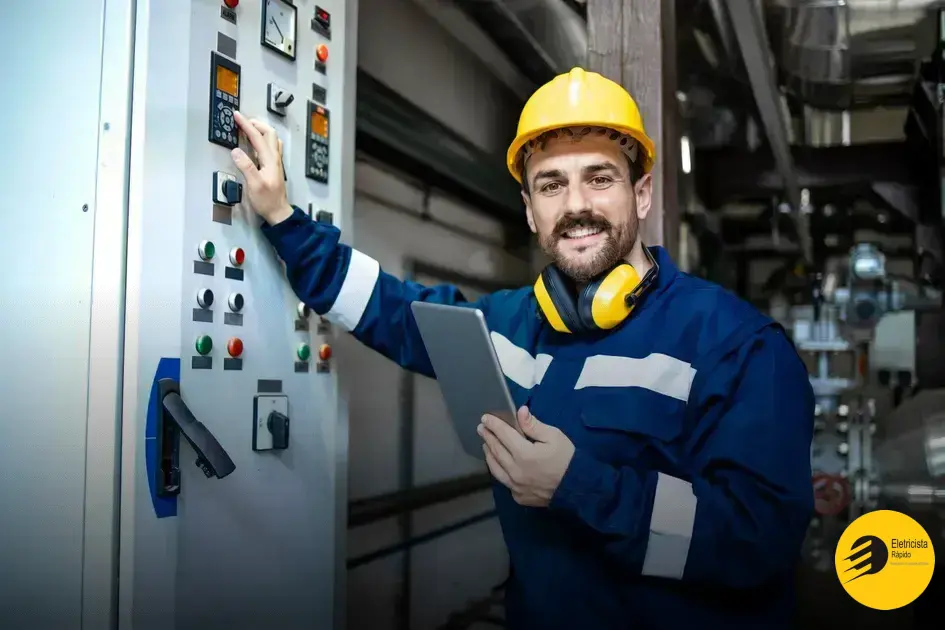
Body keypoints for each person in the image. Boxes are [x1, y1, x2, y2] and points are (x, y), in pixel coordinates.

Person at [229, 67, 815, 629]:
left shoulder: (739, 347)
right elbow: (390, 311)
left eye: (600, 178)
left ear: (641, 195)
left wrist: (578, 487)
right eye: (552, 185)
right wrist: (283, 219)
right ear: (531, 211)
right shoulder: (508, 324)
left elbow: (758, 543)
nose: (576, 205)